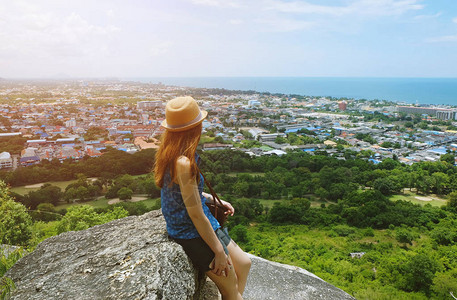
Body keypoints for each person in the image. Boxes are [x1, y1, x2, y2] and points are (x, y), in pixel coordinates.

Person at [154, 96, 251, 300]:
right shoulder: (183, 162)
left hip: (202, 221)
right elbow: (196, 215)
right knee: (230, 287)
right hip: (190, 232)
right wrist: (218, 252)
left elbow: (187, 193)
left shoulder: (174, 152)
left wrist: (215, 201)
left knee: (244, 263)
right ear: (195, 128)